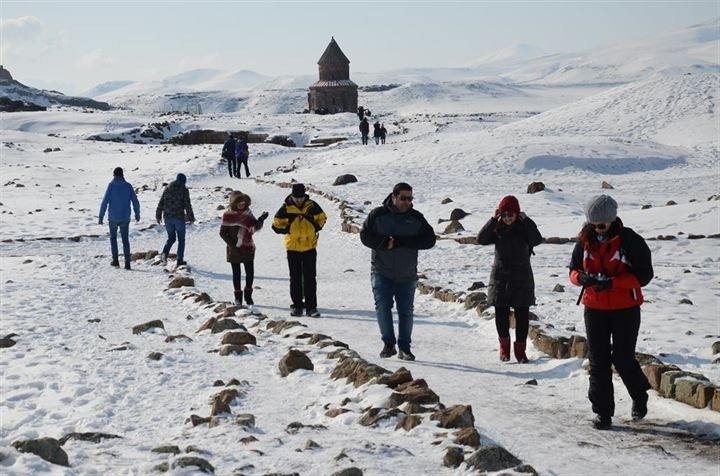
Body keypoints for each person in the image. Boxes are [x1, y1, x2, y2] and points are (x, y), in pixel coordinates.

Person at [569, 194, 653, 430]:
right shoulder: (584, 240)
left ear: (613, 219)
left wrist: (613, 283)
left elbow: (644, 276)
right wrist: (581, 278)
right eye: (594, 224)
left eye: (602, 224)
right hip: (594, 309)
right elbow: (573, 269)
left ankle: (639, 396)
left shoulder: (630, 241)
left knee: (624, 359)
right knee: (598, 362)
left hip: (626, 309)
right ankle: (603, 413)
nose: (598, 228)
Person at [360, 182, 436, 361]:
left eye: (410, 199)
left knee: (406, 311)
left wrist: (404, 242)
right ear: (393, 196)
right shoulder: (378, 215)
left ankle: (405, 348)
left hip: (407, 273)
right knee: (383, 308)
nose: (406, 202)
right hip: (381, 270)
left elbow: (430, 240)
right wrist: (383, 243)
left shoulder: (417, 218)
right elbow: (365, 235)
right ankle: (388, 344)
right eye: (403, 198)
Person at [477, 195, 543, 363]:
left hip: (522, 277)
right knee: (501, 312)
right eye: (504, 215)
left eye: (511, 214)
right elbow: (481, 239)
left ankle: (520, 352)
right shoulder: (496, 228)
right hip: (500, 277)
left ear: (517, 214)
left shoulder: (524, 228)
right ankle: (504, 349)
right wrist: (493, 220)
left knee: (522, 315)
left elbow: (537, 239)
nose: (507, 218)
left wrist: (527, 221)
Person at [271, 183, 327, 317]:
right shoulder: (286, 207)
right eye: (296, 198)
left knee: (310, 278)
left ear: (304, 196)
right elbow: (275, 224)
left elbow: (322, 218)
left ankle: (311, 307)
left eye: (301, 198)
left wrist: (315, 226)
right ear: (292, 196)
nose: (299, 200)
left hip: (309, 247)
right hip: (293, 248)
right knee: (295, 278)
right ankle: (297, 306)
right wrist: (287, 228)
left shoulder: (312, 205)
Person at [219, 191, 268, 311]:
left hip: (248, 247)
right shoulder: (228, 215)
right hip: (234, 249)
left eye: (243, 203)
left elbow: (253, 227)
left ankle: (248, 297)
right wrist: (234, 246)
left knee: (250, 273)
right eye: (239, 203)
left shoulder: (247, 213)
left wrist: (261, 219)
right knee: (236, 274)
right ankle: (238, 298)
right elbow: (222, 233)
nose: (242, 205)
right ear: (234, 203)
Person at [98, 167, 140, 270]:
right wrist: (137, 214)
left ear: (114, 175)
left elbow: (105, 202)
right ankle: (127, 263)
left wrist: (101, 216)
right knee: (125, 240)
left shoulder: (111, 186)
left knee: (113, 238)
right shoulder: (128, 186)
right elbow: (135, 201)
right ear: (122, 175)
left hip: (113, 217)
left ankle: (116, 261)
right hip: (125, 217)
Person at [156, 173, 195, 267]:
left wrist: (158, 215)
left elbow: (161, 202)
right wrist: (191, 217)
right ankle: (179, 260)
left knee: (171, 238)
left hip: (167, 217)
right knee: (181, 239)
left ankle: (164, 254)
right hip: (179, 218)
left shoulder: (168, 188)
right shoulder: (184, 190)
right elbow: (187, 205)